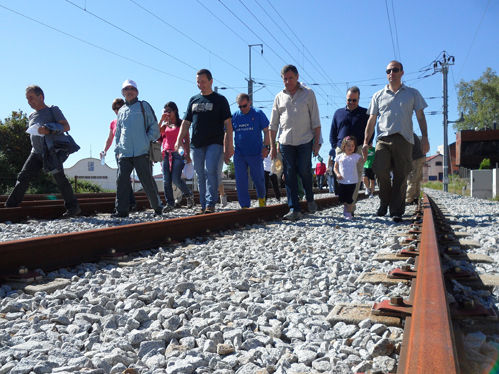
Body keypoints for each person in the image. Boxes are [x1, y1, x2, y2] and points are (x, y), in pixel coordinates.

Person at [363, 61, 429, 223]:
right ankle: (384, 201)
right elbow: (371, 120)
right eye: (388, 71)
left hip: (404, 140)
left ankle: (396, 211)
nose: (391, 73)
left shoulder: (413, 93)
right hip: (383, 139)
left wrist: (425, 138)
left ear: (402, 72)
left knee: (401, 176)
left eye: (395, 70)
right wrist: (366, 142)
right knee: (379, 169)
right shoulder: (378, 95)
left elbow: (421, 117)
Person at [5, 85, 80, 218]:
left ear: (41, 97)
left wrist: (49, 130)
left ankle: (73, 208)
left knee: (60, 179)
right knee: (23, 177)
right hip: (36, 153)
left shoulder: (53, 110)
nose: (29, 101)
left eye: (31, 98)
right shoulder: (31, 115)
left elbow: (66, 126)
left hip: (51, 152)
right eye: (27, 99)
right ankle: (10, 207)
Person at [175, 69, 234, 214]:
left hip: (215, 142)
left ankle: (210, 204)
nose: (200, 85)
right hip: (196, 144)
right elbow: (186, 122)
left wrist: (230, 145)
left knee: (210, 171)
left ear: (211, 81)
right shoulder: (193, 100)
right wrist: (178, 140)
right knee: (200, 175)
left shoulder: (220, 100)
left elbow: (228, 124)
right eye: (198, 82)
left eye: (203, 82)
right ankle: (203, 206)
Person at [269, 64, 321, 221]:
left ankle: (310, 198)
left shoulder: (308, 94)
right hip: (286, 143)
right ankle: (294, 209)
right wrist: (272, 146)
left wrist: (316, 143)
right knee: (289, 174)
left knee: (304, 171)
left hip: (305, 141)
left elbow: (316, 121)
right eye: (285, 79)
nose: (287, 81)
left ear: (297, 77)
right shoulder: (279, 97)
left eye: (290, 78)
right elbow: (273, 125)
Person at [112, 79, 164, 218]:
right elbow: (118, 133)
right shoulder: (121, 110)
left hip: (142, 152)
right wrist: (117, 149)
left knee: (146, 180)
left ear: (137, 92)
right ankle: (121, 211)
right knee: (122, 181)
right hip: (124, 153)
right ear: (122, 92)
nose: (130, 91)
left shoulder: (144, 106)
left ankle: (157, 207)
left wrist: (145, 141)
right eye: (127, 89)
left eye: (132, 89)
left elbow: (155, 127)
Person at [330, 86, 371, 215]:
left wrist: (366, 145)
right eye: (349, 100)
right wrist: (335, 146)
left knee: (356, 177)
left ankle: (350, 207)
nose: (352, 103)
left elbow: (370, 131)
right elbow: (333, 131)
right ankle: (345, 203)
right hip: (341, 150)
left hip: (357, 149)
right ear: (346, 99)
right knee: (341, 178)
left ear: (359, 99)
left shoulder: (365, 113)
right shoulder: (338, 113)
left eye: (354, 100)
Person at [232, 93, 270, 209]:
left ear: (249, 102)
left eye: (244, 106)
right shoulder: (235, 116)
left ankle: (262, 198)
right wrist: (227, 149)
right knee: (240, 181)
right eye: (240, 107)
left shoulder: (258, 114)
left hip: (255, 153)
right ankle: (244, 206)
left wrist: (266, 147)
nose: (243, 109)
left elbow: (266, 131)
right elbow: (227, 133)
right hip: (239, 154)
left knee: (258, 179)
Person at [101, 98, 136, 211]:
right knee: (122, 178)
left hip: (134, 152)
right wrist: (104, 150)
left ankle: (155, 203)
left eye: (118, 108)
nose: (116, 111)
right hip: (120, 154)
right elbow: (110, 138)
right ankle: (130, 203)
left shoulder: (131, 119)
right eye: (114, 109)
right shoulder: (113, 123)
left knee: (142, 178)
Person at [158, 101, 194, 212]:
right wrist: (161, 120)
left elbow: (187, 140)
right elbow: (156, 134)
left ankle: (188, 195)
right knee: (166, 180)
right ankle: (170, 203)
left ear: (175, 111)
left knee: (176, 178)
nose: (167, 113)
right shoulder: (164, 126)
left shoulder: (182, 123)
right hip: (166, 154)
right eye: (165, 111)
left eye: (169, 111)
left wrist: (187, 155)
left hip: (179, 153)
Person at [334, 136, 366, 220]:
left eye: (352, 146)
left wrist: (365, 154)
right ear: (343, 146)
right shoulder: (339, 157)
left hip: (352, 181)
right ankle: (346, 207)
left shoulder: (355, 156)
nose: (350, 147)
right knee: (341, 198)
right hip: (342, 181)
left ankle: (348, 213)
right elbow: (335, 167)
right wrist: (337, 174)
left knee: (349, 198)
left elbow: (362, 161)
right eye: (348, 145)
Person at [406, 133, 426, 205]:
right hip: (421, 157)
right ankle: (415, 197)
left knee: (411, 180)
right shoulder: (412, 134)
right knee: (417, 179)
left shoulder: (407, 135)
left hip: (415, 159)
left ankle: (409, 199)